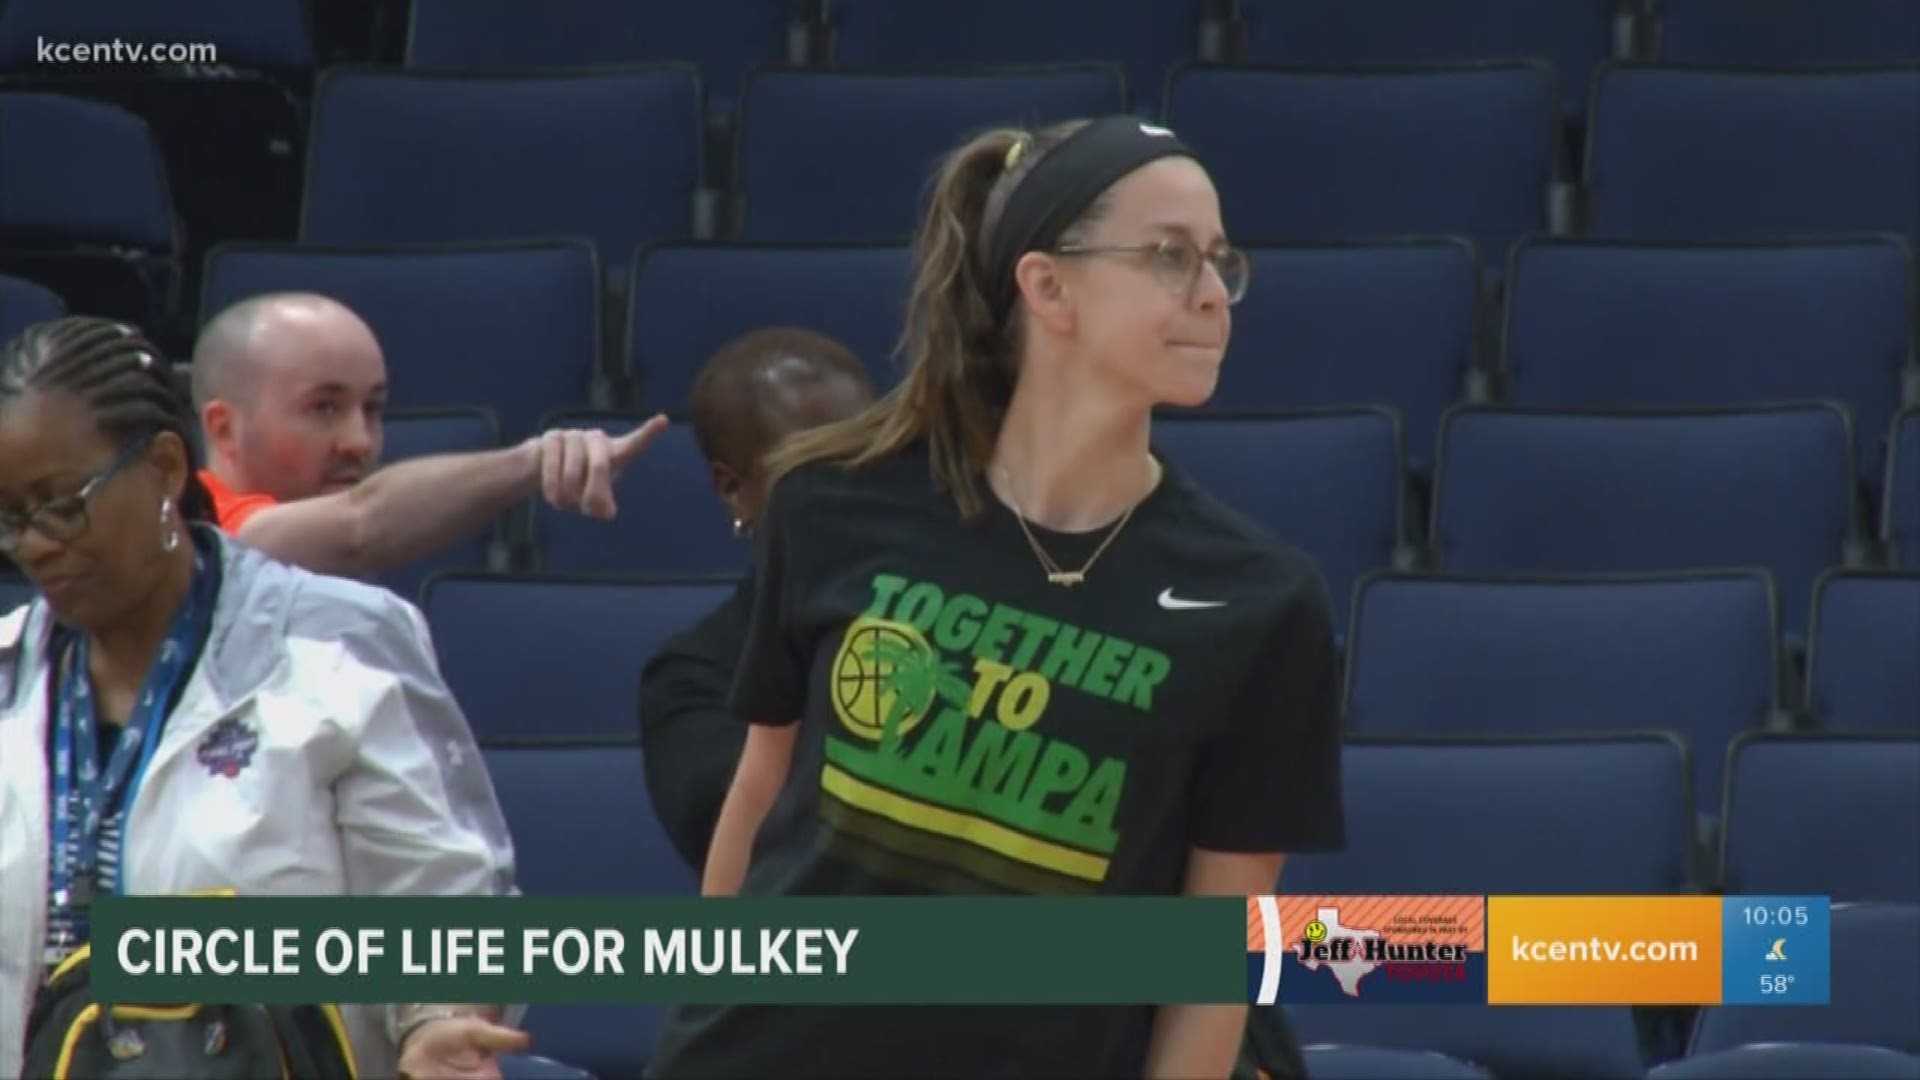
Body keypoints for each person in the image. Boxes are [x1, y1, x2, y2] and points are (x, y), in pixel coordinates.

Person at [648, 116, 1344, 1079]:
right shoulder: (833, 501)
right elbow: (761, 791)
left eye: (1223, 261)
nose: (1214, 295)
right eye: (1169, 257)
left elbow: (1218, 945)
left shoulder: (1262, 600)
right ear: (1047, 285)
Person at [0, 317, 527, 1079]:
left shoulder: (339, 645)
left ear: (165, 467)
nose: (39, 544)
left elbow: (452, 906)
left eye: (63, 504)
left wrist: (437, 1023)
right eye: (12, 518)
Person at [189, 292, 667, 576]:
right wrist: (531, 463)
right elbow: (361, 524)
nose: (359, 440)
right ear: (224, 428)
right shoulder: (198, 533)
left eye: (373, 408)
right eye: (323, 408)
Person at [638, 327, 875, 871]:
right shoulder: (693, 674)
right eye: (817, 468)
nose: (857, 486)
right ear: (732, 487)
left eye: (871, 454)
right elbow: (749, 834)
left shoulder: (962, 607)